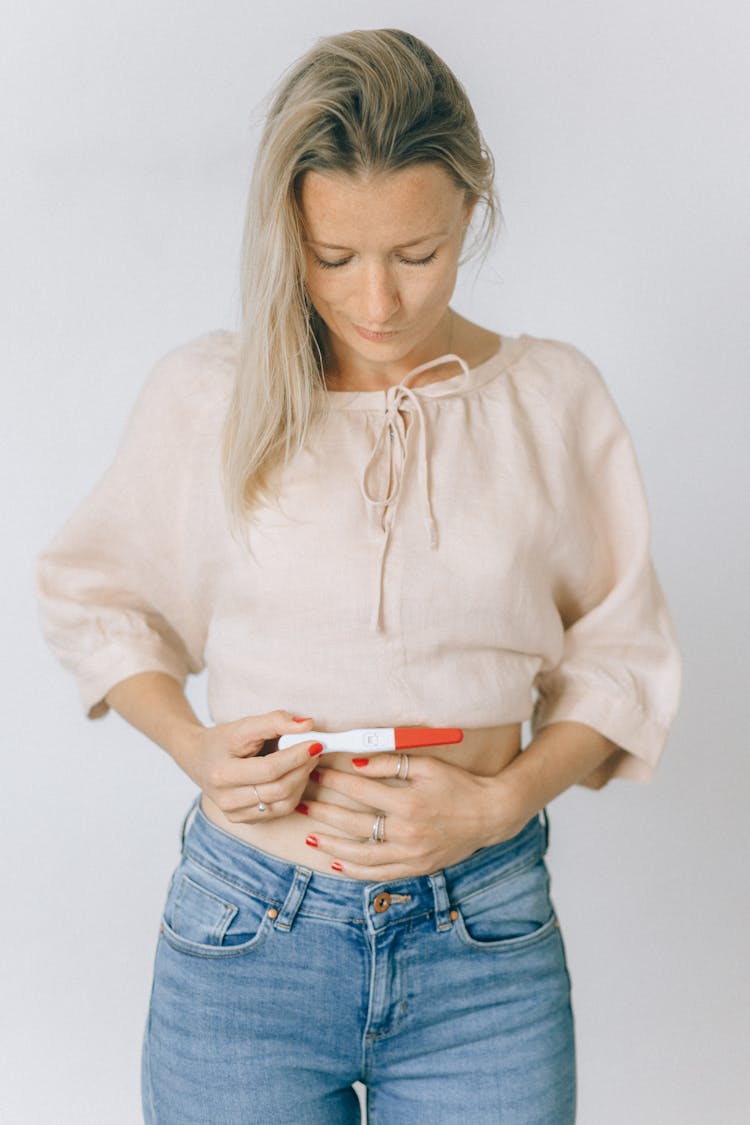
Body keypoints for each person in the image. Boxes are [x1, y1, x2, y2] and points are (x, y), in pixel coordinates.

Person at [35, 27, 681, 1125]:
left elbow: (619, 659)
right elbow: (99, 598)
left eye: (416, 254)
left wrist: (499, 803)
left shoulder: (551, 400)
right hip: (246, 936)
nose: (377, 302)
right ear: (287, 231)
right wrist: (193, 744)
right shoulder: (209, 392)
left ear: (471, 210)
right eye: (334, 259)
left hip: (486, 941)